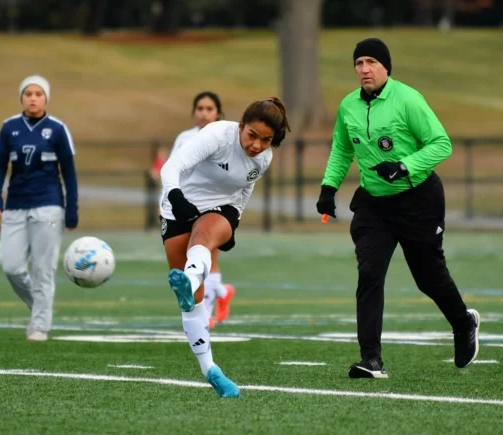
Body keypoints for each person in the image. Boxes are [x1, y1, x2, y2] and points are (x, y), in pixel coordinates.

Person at [316, 38, 480, 379]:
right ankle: (371, 359)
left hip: (418, 201)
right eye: (359, 63)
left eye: (371, 62)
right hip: (373, 207)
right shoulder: (348, 106)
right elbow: (341, 150)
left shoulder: (407, 99)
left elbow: (441, 144)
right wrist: (328, 189)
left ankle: (463, 323)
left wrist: (404, 166)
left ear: (386, 67)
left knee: (428, 278)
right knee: (370, 275)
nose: (364, 69)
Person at [159, 97, 290, 397]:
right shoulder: (217, 135)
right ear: (241, 126)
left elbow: (245, 188)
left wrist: (236, 220)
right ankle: (211, 370)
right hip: (178, 205)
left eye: (266, 140)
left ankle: (188, 281)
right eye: (252, 136)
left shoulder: (264, 157)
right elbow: (172, 167)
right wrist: (177, 199)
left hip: (222, 207)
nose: (257, 145)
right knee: (192, 302)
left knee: (203, 239)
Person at [0, 75, 79, 342]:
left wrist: (72, 207)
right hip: (15, 204)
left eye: (38, 93)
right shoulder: (9, 128)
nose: (33, 97)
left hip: (49, 205)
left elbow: (70, 173)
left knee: (43, 269)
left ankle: (40, 325)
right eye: (28, 93)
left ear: (46, 98)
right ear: (21, 97)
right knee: (11, 265)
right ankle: (39, 307)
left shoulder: (58, 129)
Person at [152, 92, 236, 328]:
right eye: (200, 108)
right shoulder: (185, 138)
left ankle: (205, 313)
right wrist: (165, 200)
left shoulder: (227, 138)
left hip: (213, 207)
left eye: (209, 108)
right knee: (190, 260)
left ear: (218, 112)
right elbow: (171, 169)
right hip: (183, 205)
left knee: (207, 255)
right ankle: (220, 291)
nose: (204, 113)